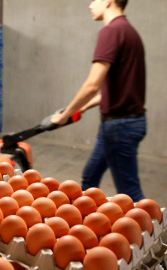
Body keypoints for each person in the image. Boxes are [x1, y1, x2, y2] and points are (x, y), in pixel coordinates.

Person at [50, 0, 146, 201]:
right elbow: (115, 90)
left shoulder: (110, 32)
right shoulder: (129, 31)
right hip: (121, 124)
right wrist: (83, 107)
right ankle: (85, 222)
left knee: (130, 193)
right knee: (90, 177)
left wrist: (65, 114)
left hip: (119, 127)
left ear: (108, 1)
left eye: (95, 0)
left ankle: (154, 230)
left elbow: (93, 84)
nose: (90, 5)